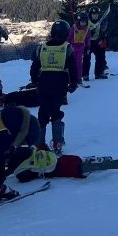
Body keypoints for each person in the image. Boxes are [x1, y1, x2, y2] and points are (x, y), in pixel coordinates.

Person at [30, 19, 79, 155]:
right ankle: (57, 142)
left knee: (43, 113)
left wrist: (35, 80)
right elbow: (73, 67)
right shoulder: (67, 48)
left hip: (44, 83)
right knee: (56, 112)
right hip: (60, 83)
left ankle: (39, 143)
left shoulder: (42, 47)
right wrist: (74, 82)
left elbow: (34, 67)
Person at [85, 7, 108, 80]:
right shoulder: (87, 22)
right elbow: (82, 32)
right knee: (86, 58)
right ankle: (85, 75)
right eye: (93, 14)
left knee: (101, 57)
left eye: (96, 14)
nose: (95, 15)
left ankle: (99, 73)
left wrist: (101, 38)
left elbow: (104, 32)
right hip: (88, 42)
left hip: (98, 41)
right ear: (91, 14)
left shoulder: (101, 22)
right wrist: (89, 33)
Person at [68, 11, 91, 85]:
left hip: (80, 48)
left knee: (79, 64)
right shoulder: (74, 27)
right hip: (72, 48)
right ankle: (71, 78)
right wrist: (67, 45)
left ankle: (78, 78)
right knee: (71, 63)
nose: (83, 23)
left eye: (84, 22)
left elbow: (87, 39)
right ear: (79, 21)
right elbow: (69, 37)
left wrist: (88, 47)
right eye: (82, 21)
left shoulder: (87, 29)